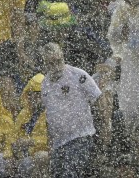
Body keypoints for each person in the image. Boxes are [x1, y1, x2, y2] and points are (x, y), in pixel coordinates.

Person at [38, 42, 102, 178]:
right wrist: (50, 143)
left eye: (58, 60)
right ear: (45, 63)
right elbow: (49, 115)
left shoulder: (77, 75)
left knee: (69, 173)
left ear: (62, 57)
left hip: (80, 136)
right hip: (58, 143)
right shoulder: (45, 85)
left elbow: (98, 97)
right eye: (51, 63)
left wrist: (104, 125)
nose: (56, 66)